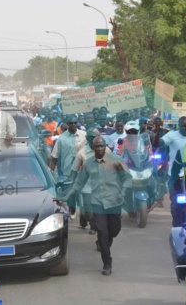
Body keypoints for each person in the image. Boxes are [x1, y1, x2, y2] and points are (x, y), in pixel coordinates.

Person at [65, 136, 132, 275]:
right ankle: (107, 263)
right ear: (93, 147)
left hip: (114, 202)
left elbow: (127, 177)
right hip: (97, 203)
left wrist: (123, 191)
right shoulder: (88, 164)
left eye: (101, 146)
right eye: (97, 146)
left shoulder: (115, 161)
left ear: (105, 146)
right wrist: (66, 196)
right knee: (102, 232)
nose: (99, 148)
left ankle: (105, 243)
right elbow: (79, 183)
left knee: (113, 231)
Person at [50, 115, 86, 219]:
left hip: (83, 169)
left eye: (75, 123)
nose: (73, 125)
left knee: (84, 191)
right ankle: (72, 208)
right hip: (68, 171)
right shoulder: (61, 138)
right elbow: (55, 156)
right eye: (71, 123)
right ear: (67, 124)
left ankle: (85, 213)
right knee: (71, 191)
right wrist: (52, 171)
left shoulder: (84, 135)